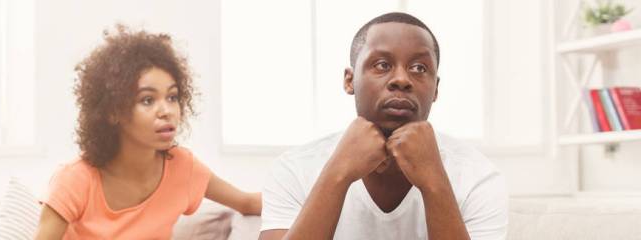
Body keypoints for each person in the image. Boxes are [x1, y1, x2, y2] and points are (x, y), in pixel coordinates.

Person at [259, 12, 507, 240]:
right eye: (382, 65)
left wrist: (434, 182)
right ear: (350, 80)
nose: (401, 79)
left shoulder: (479, 178)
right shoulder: (293, 170)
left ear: (436, 89)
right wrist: (338, 173)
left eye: (419, 68)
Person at [34, 24, 261, 239]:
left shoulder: (184, 168)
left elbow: (247, 203)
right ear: (114, 111)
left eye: (172, 97)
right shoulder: (75, 180)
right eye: (147, 100)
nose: (166, 111)